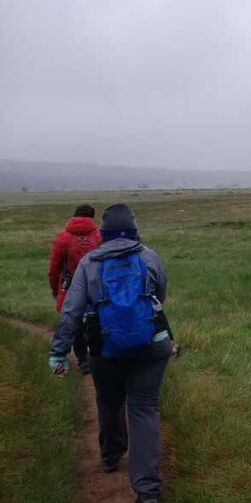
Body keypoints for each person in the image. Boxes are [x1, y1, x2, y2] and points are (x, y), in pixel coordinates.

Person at [49, 203, 172, 503]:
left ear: (102, 233)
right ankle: (147, 491)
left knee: (109, 401)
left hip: (104, 349)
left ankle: (110, 455)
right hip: (151, 345)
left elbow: (71, 312)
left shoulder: (89, 263)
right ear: (134, 231)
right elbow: (161, 295)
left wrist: (59, 351)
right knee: (144, 410)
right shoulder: (150, 256)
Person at [48, 203, 101, 372]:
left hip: (69, 285)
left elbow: (54, 268)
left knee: (75, 320)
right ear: (92, 218)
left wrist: (55, 289)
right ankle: (97, 356)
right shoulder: (99, 236)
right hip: (95, 284)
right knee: (96, 319)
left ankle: (82, 359)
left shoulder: (63, 237)